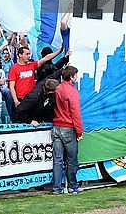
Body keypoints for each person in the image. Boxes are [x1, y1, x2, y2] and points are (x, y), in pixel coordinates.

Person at [51, 67, 84, 195]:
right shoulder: (72, 91)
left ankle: (57, 188)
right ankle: (72, 186)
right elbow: (75, 113)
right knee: (71, 160)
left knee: (57, 160)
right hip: (68, 128)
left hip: (56, 126)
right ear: (71, 77)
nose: (76, 77)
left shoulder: (57, 88)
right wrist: (79, 131)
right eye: (75, 75)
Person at [9, 43, 63, 110]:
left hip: (31, 98)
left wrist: (59, 51)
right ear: (20, 55)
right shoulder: (14, 68)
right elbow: (11, 86)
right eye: (27, 54)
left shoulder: (32, 65)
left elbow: (46, 58)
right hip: (20, 99)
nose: (29, 56)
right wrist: (15, 100)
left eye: (29, 54)